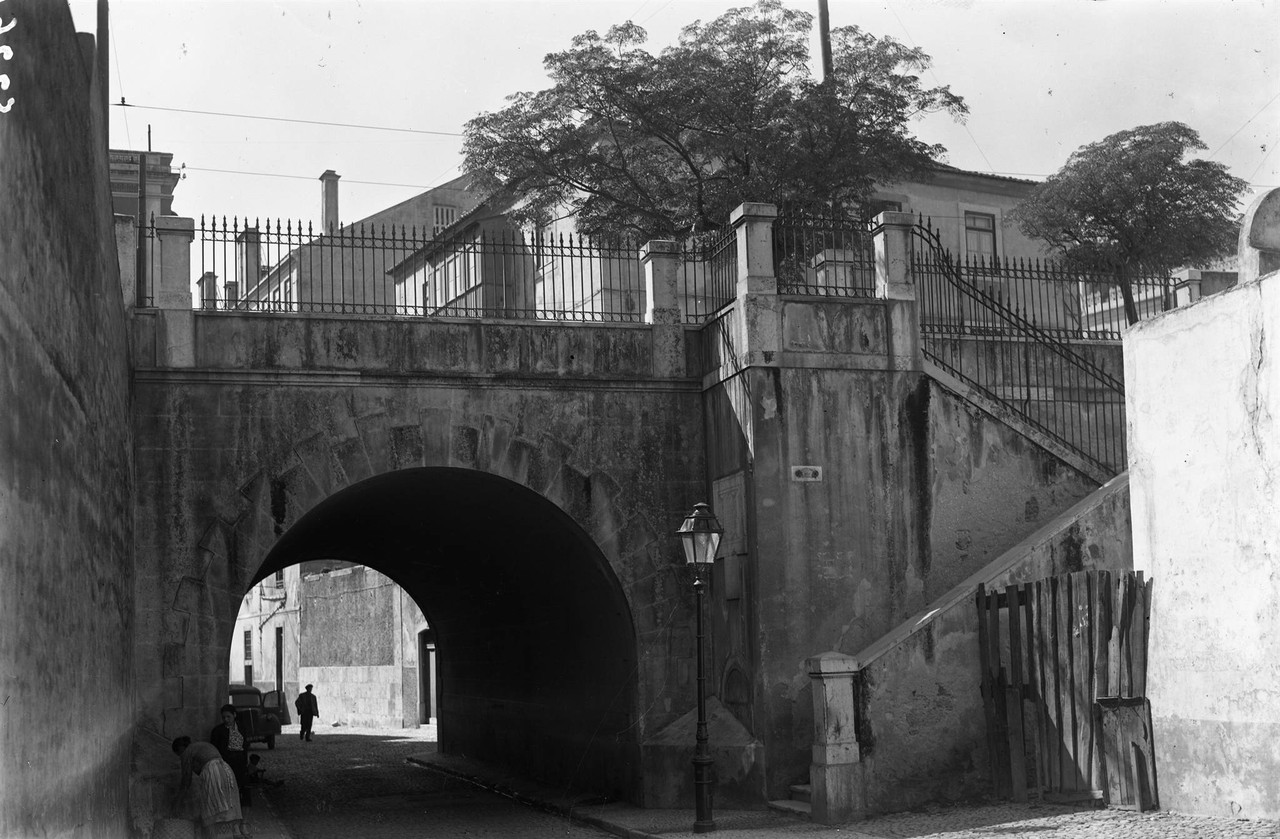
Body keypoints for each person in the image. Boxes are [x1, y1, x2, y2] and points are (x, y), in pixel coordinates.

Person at [171, 736, 251, 839]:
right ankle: (235, 833)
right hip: (227, 771)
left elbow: (186, 781)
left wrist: (177, 803)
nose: (181, 757)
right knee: (229, 804)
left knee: (213, 808)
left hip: (213, 773)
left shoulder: (187, 752)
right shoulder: (200, 746)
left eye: (179, 754)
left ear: (180, 748)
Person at [210, 704, 251, 805]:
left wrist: (245, 761)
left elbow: (245, 745)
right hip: (226, 762)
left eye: (228, 717)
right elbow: (214, 748)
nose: (226, 719)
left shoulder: (242, 728)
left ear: (234, 715)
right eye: (224, 717)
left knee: (241, 784)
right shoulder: (218, 731)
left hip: (240, 761)